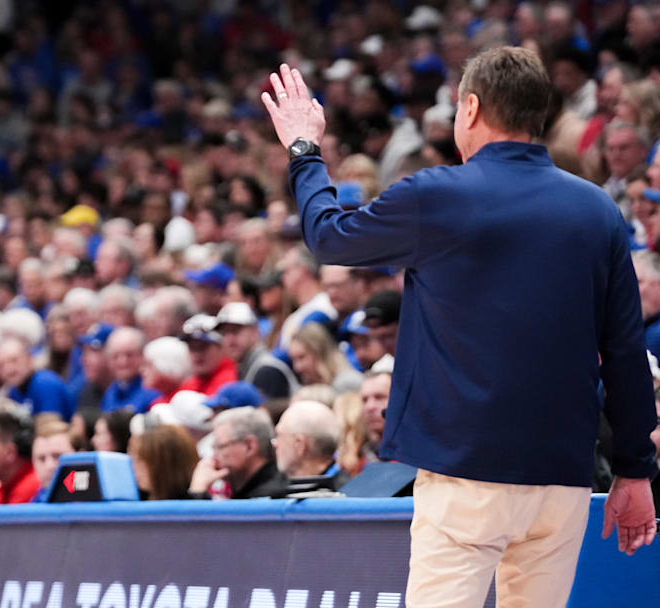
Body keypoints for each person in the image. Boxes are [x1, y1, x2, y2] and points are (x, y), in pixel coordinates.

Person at [264, 50, 656, 607]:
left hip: (466, 472)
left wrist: (304, 150)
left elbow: (329, 237)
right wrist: (636, 470)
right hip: (563, 478)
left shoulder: (438, 195)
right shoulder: (598, 211)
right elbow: (625, 352)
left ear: (469, 108)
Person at [188, 406, 287, 500]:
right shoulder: (256, 489)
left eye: (220, 446)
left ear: (249, 446)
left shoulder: (268, 496)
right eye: (214, 448)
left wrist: (198, 490)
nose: (214, 457)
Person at [216, 302, 298, 398]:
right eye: (224, 333)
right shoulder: (247, 366)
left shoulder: (266, 370)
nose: (230, 340)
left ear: (255, 331)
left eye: (235, 331)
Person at [274, 401, 351, 493]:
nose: (275, 444)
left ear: (299, 445)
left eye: (279, 435)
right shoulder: (350, 492)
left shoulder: (343, 500)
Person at [0, 337, 74, 421]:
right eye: (1, 365)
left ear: (29, 358)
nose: (9, 369)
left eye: (14, 360)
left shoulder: (45, 383)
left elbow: (50, 427)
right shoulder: (14, 391)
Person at [287, 323, 363, 394]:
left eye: (302, 357)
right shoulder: (304, 389)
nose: (297, 367)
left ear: (319, 353)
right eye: (293, 360)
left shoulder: (347, 382)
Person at [176, 314, 238, 396]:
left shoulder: (228, 381)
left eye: (202, 347)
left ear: (221, 348)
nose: (197, 354)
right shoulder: (195, 381)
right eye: (192, 348)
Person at [134, 424, 200, 500]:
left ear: (165, 466)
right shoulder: (136, 498)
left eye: (141, 460)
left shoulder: (196, 503)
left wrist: (197, 494)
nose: (135, 467)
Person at [31, 419, 76, 501]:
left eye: (58, 456)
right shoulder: (34, 504)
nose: (49, 466)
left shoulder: (98, 502)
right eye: (41, 459)